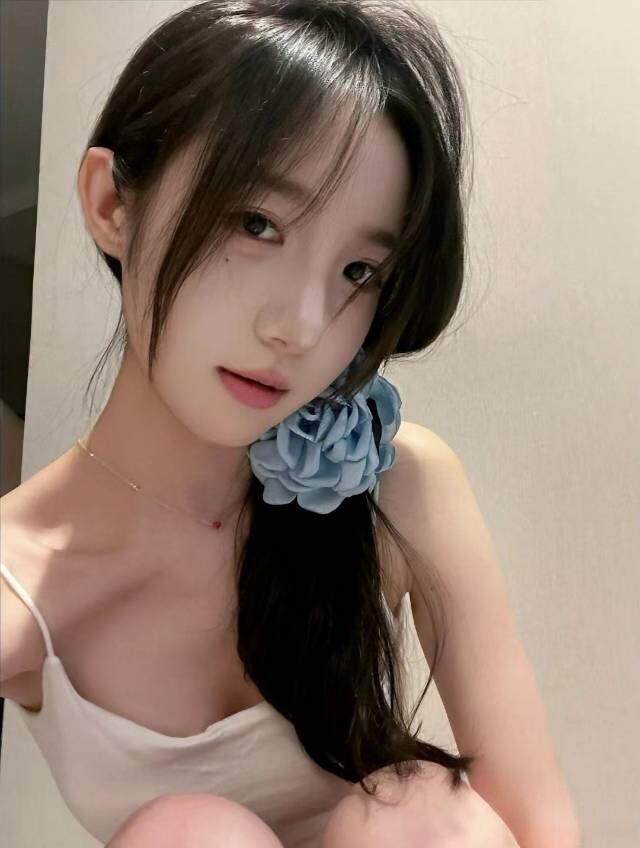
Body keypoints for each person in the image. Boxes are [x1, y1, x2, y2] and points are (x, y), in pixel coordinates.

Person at [0, 1, 580, 847]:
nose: (301, 328)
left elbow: (541, 828)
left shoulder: (398, 487)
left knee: (419, 810)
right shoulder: (20, 582)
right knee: (191, 835)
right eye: (257, 223)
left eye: (359, 270)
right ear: (112, 202)